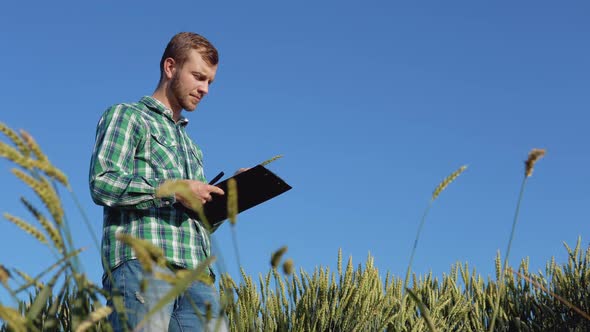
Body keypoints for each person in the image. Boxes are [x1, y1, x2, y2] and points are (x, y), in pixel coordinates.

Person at [89, 32, 231, 331]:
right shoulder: (127, 116)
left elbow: (198, 221)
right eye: (198, 77)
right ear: (170, 67)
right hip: (145, 269)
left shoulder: (193, 147)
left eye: (210, 82)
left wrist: (231, 196)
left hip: (198, 280)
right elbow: (102, 182)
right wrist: (173, 190)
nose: (204, 89)